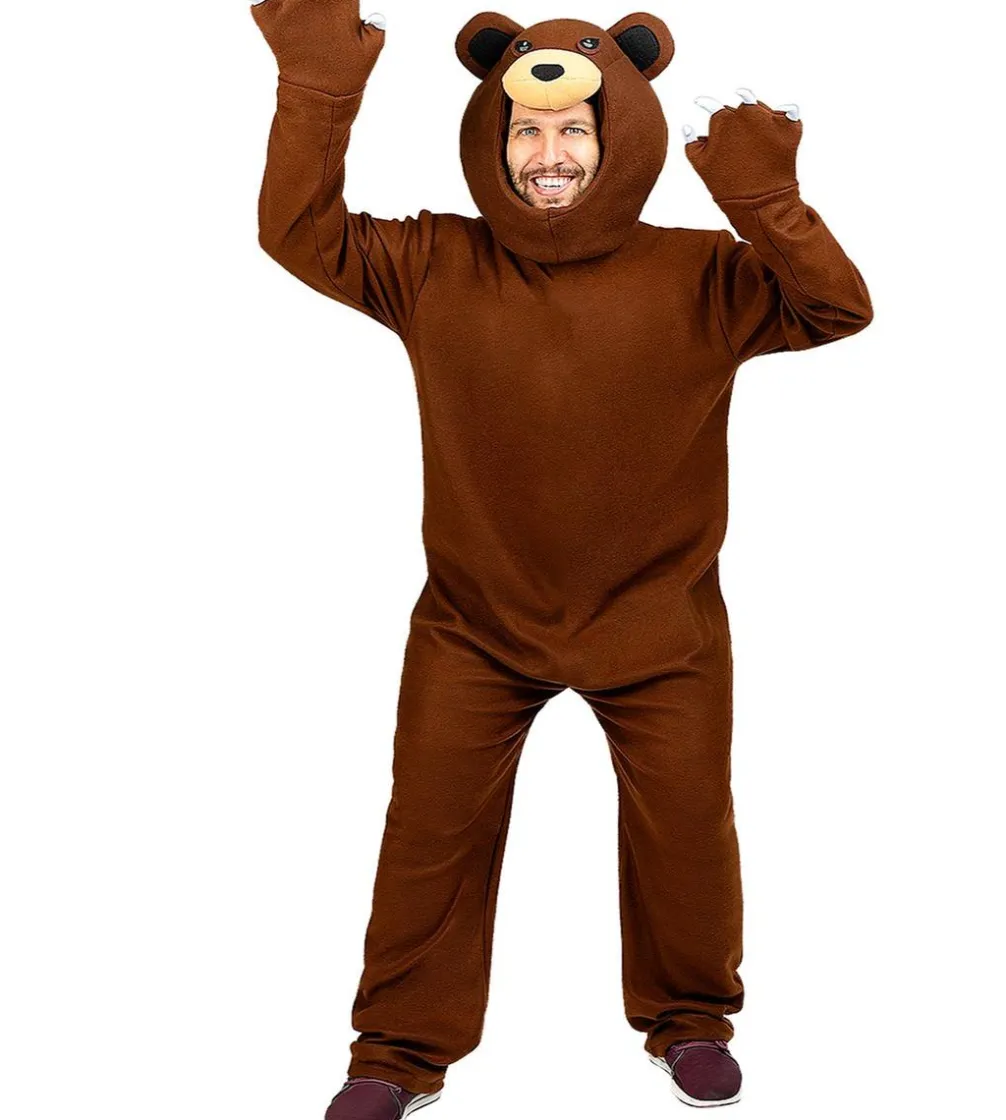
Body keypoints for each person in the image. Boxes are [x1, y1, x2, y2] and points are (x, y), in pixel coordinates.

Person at [250, 4, 873, 1116]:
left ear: (617, 135)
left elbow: (836, 306)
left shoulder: (706, 274)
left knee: (687, 832)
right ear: (491, 142)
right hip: (475, 625)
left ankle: (690, 1021)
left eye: (575, 130)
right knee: (429, 834)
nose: (549, 154)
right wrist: (317, 89)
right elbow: (300, 232)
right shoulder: (431, 261)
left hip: (661, 627)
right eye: (526, 132)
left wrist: (763, 197)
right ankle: (395, 1051)